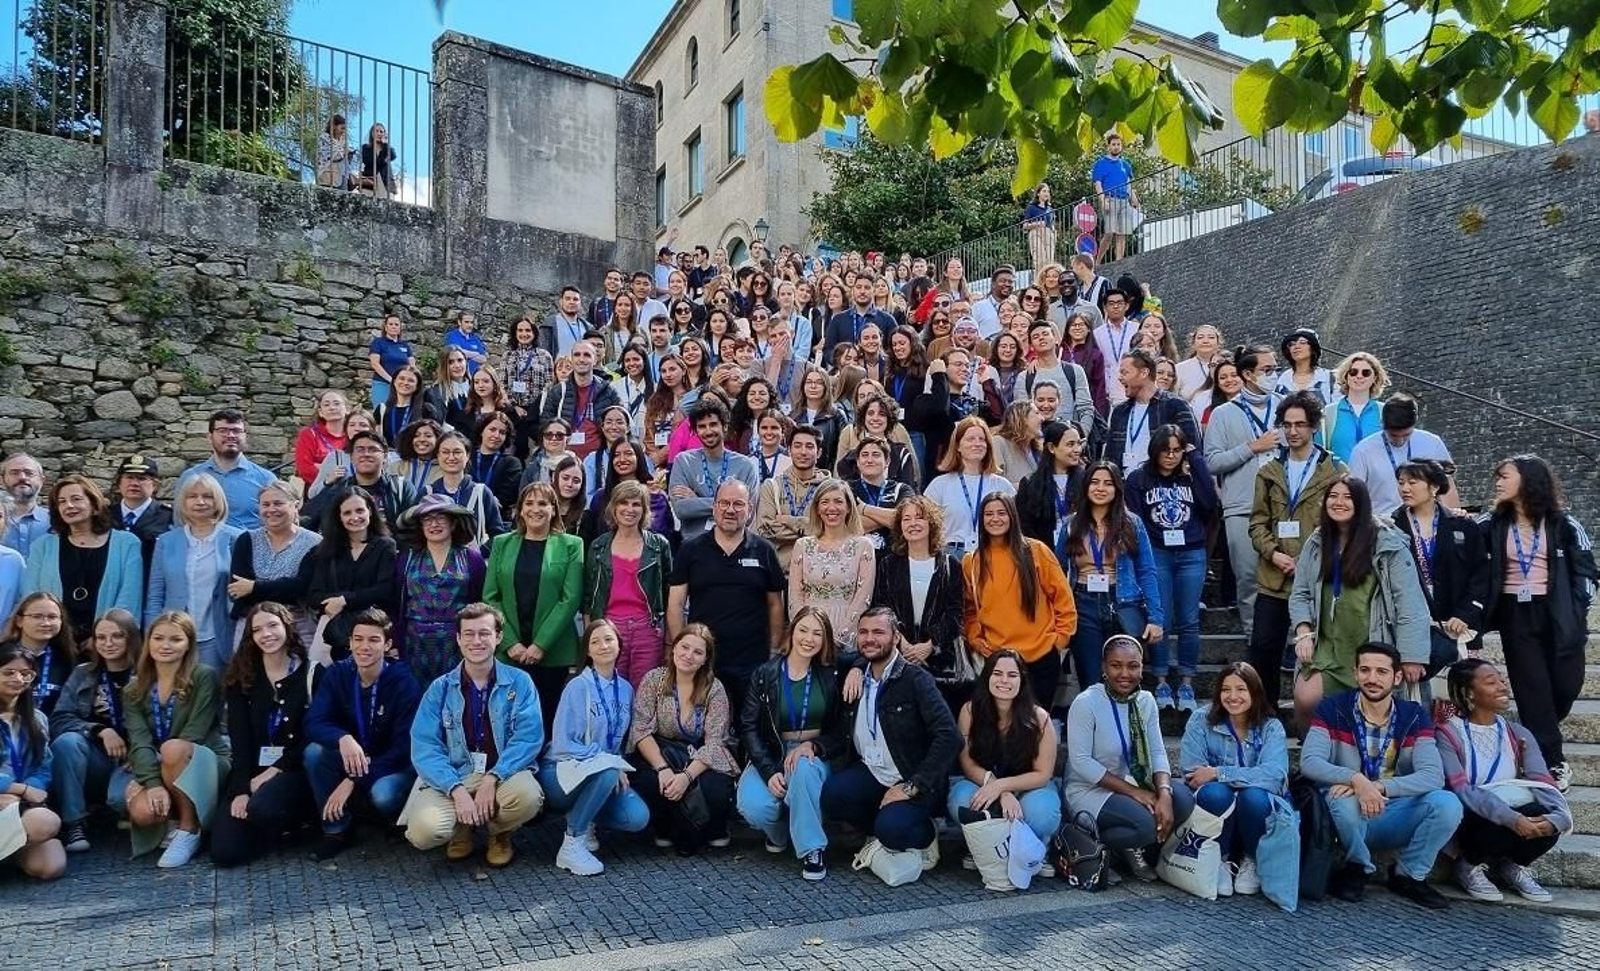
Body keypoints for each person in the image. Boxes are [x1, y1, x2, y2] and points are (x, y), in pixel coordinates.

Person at [1300, 641, 1461, 909]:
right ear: (1355, 673)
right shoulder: (1332, 708)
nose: (1371, 679)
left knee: (1447, 804)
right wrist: (1356, 780)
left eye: (1381, 672)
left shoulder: (1414, 715)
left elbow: (1432, 776)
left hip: (1394, 808)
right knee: (1340, 801)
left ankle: (1408, 875)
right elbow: (1310, 762)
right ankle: (1357, 867)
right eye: (1365, 670)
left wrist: (1378, 787)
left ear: (1397, 677)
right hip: (1347, 813)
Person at [1479, 455, 1596, 790]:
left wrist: (1578, 607)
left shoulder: (1563, 524)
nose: (1498, 483)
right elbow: (1461, 545)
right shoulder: (1491, 524)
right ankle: (1553, 765)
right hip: (1516, 614)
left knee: (1565, 687)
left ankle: (1532, 736)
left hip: (1560, 614)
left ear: (1528, 480)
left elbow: (1586, 570)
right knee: (1533, 693)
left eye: (1504, 477)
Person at [401, 603, 546, 869]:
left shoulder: (520, 682)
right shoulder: (439, 689)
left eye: (484, 633)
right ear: (458, 638)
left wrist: (494, 777)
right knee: (423, 832)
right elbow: (425, 747)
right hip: (455, 775)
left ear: (498, 637)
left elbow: (528, 738)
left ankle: (498, 833)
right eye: (468, 634)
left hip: (503, 774)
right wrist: (456, 790)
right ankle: (461, 830)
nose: (476, 641)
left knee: (528, 797)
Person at [821, 607, 962, 856]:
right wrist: (813, 746)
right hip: (872, 772)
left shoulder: (915, 679)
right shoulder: (855, 677)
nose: (870, 638)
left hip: (911, 776)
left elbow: (950, 736)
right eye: (863, 632)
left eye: (878, 632)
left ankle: (924, 832)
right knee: (833, 795)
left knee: (891, 830)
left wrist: (912, 786)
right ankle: (881, 825)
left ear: (896, 637)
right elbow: (841, 731)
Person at [1290, 477, 1431, 713]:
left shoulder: (1387, 543)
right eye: (1333, 496)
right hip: (1328, 647)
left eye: (1347, 497)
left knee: (1372, 714)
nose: (1339, 502)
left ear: (1361, 503)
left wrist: (1412, 655)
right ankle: (1316, 749)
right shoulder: (1317, 541)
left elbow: (1409, 603)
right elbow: (1300, 592)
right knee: (1305, 699)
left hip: (1373, 644)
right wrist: (1303, 632)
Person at [1437, 658, 1569, 903]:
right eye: (1491, 682)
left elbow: (1541, 780)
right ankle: (1468, 865)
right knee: (1493, 827)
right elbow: (1462, 789)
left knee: (1544, 819)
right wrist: (1511, 818)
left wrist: (1558, 817)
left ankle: (1514, 866)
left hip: (1515, 809)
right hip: (1474, 815)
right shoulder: (1449, 734)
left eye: (1501, 680)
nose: (1502, 686)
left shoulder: (1518, 733)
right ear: (1469, 693)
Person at [1065, 634, 1194, 881]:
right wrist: (1134, 792)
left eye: (1133, 666)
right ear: (1104, 667)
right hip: (1089, 789)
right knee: (1145, 823)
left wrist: (1164, 794)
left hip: (1131, 782)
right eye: (1116, 665)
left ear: (1142, 667)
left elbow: (1157, 751)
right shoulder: (1086, 702)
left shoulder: (1145, 701)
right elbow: (1081, 763)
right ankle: (1101, 846)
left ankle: (1134, 845)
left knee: (1182, 800)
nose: (1125, 673)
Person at [1247, 392, 1347, 705]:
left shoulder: (1336, 471)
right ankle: (1266, 716)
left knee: (1323, 649)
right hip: (1273, 577)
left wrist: (1307, 559)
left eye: (1300, 425)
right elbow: (1256, 523)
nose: (1293, 431)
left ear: (1314, 427)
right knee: (1263, 648)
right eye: (1287, 425)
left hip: (1318, 577)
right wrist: (1273, 553)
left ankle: (1323, 717)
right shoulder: (1268, 472)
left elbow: (1344, 523)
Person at [530, 619, 650, 876]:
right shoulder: (577, 687)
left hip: (601, 771)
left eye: (609, 639)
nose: (603, 646)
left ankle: (585, 812)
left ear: (619, 645)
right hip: (561, 771)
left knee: (637, 818)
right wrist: (607, 761)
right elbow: (562, 744)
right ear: (587, 651)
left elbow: (621, 741)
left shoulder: (626, 689)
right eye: (595, 642)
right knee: (607, 770)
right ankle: (572, 842)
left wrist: (613, 762)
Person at [302, 607, 421, 860]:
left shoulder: (403, 682)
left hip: (392, 763)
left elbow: (404, 748)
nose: (364, 647)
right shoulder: (339, 673)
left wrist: (353, 780)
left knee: (384, 795)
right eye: (358, 639)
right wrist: (342, 739)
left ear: (388, 645)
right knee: (314, 753)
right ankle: (336, 830)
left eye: (374, 640)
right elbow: (314, 721)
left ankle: (397, 821)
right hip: (353, 755)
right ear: (350, 642)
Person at [211, 603, 323, 867]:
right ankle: (274, 832)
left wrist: (272, 772)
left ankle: (298, 822)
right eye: (257, 629)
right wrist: (241, 789)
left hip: (293, 770)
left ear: (287, 626)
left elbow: (315, 733)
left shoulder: (312, 673)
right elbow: (239, 741)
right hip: (251, 770)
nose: (266, 634)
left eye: (272, 625)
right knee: (225, 853)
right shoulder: (241, 679)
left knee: (263, 808)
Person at [737, 608, 846, 880]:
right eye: (803, 630)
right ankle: (781, 833)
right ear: (792, 632)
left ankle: (812, 848)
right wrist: (767, 770)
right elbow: (748, 726)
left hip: (814, 753)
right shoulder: (765, 673)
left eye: (817, 633)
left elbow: (841, 730)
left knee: (804, 770)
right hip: (772, 752)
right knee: (754, 807)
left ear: (826, 640)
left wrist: (815, 747)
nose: (809, 638)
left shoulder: (831, 674)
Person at [667, 479, 785, 726]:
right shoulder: (691, 549)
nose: (731, 510)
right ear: (714, 508)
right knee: (704, 726)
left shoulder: (763, 550)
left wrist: (774, 650)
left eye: (738, 504)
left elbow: (775, 604)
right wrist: (682, 649)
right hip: (704, 660)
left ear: (750, 510)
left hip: (752, 659)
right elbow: (676, 604)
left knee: (750, 727)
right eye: (724, 503)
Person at [122, 611, 230, 868]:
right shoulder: (132, 690)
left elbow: (196, 732)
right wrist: (153, 782)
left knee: (173, 749)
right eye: (158, 638)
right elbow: (139, 741)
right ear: (148, 642)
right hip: (164, 764)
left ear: (189, 644)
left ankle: (189, 829)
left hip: (206, 760)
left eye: (175, 639)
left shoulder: (204, 676)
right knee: (143, 813)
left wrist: (152, 777)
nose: (165, 645)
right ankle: (174, 817)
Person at [1126, 425, 1218, 710]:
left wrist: (1198, 460)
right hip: (1158, 554)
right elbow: (1135, 522)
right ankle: (1162, 679)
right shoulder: (1138, 479)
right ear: (1155, 450)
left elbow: (1210, 504)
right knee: (1160, 618)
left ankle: (1188, 682)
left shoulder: (1190, 476)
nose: (1171, 456)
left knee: (1189, 620)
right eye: (1165, 450)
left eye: (1177, 450)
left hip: (1191, 553)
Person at [1178, 662, 1289, 897]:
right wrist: (1234, 780)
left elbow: (1275, 775)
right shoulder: (1201, 720)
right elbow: (1193, 773)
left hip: (1255, 811)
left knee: (1255, 797)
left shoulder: (1271, 727)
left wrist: (1219, 773)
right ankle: (1221, 859)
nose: (1233, 696)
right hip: (1218, 808)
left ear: (1254, 692)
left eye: (1241, 689)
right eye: (1226, 689)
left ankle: (1252, 859)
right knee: (1215, 793)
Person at [627, 624, 738, 854]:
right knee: (651, 782)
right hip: (660, 754)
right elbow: (641, 729)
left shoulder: (714, 688)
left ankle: (709, 828)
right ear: (674, 648)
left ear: (705, 659)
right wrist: (663, 769)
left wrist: (686, 777)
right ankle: (665, 827)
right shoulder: (653, 680)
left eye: (697, 652)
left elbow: (715, 742)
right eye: (684, 647)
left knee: (716, 789)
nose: (689, 655)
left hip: (699, 757)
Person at [483, 482, 583, 735]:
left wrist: (541, 644)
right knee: (508, 718)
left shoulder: (571, 544)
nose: (535, 509)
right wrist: (511, 644)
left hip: (553, 651)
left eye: (542, 504)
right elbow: (490, 596)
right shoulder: (502, 543)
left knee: (547, 716)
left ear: (553, 509)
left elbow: (570, 598)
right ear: (519, 509)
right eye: (529, 503)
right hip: (510, 650)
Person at [965, 493, 1076, 709]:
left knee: (1036, 725)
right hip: (996, 660)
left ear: (1012, 516)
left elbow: (1063, 599)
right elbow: (969, 609)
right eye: (988, 514)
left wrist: (1060, 639)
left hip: (1042, 655)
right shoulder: (971, 561)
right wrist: (975, 639)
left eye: (1001, 513)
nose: (995, 519)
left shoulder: (1037, 551)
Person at [1059, 462, 1163, 691]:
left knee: (1123, 678)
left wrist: (1156, 618)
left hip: (1122, 602)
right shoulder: (1070, 525)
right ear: (1086, 486)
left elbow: (1147, 571)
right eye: (1095, 482)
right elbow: (1056, 574)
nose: (1100, 488)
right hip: (1082, 604)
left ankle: (1125, 725)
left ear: (1117, 488)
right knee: (1091, 679)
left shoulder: (1132, 523)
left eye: (1108, 483)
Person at [950, 649, 1062, 857]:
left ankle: (1036, 846)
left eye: (1012, 675)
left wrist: (1003, 786)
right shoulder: (969, 711)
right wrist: (999, 790)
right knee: (961, 800)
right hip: (982, 781)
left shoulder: (1039, 718)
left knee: (1043, 814)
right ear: (987, 677)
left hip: (1028, 787)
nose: (1004, 681)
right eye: (997, 673)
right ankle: (984, 846)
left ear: (1022, 680)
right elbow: (966, 762)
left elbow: (1043, 774)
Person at [1203, 344, 1281, 635]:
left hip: (1284, 505)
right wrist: (1251, 448)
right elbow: (1212, 461)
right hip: (1241, 505)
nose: (1273, 375)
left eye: (1275, 369)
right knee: (1248, 577)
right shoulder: (1223, 413)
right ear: (1248, 374)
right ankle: (1253, 635)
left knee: (1287, 575)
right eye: (1267, 370)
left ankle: (1287, 640)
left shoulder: (1286, 407)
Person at [46, 609, 138, 852]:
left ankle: (133, 814)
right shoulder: (83, 673)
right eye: (101, 637)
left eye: (117, 636)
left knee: (120, 800)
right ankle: (75, 823)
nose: (108, 643)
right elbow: (59, 719)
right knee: (66, 742)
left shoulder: (149, 671)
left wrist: (144, 752)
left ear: (131, 638)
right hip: (99, 760)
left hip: (139, 760)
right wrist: (99, 730)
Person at [23, 475, 144, 644]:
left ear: (95, 505)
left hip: (107, 643)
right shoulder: (42, 546)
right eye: (62, 501)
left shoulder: (126, 543)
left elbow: (129, 597)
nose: (69, 505)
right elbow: (31, 595)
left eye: (76, 499)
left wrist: (103, 637)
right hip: (54, 641)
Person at [146, 474, 243, 671]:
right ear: (182, 502)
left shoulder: (237, 538)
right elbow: (155, 596)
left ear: (218, 501)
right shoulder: (166, 541)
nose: (200, 501)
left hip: (218, 636)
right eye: (192, 496)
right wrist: (152, 636)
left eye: (207, 496)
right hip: (173, 638)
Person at [581, 481, 672, 689]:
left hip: (647, 630)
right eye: (623, 503)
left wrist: (668, 639)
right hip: (609, 628)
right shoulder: (598, 546)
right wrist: (590, 635)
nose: (629, 509)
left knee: (645, 693)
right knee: (609, 689)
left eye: (636, 504)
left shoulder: (659, 546)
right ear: (613, 508)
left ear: (644, 509)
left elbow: (669, 596)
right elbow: (588, 597)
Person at [1395, 459, 1491, 654]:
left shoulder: (1462, 525)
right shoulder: (1391, 527)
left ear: (1434, 487)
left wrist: (1466, 614)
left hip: (1458, 623)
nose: (1405, 488)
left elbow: (1481, 575)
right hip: (1409, 623)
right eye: (1401, 482)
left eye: (1412, 483)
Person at [394, 495, 488, 687]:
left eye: (440, 518)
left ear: (453, 523)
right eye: (427, 519)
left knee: (457, 696)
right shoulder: (407, 558)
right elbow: (397, 602)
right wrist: (396, 640)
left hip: (457, 642)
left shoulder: (472, 559)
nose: (434, 524)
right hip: (415, 643)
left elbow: (480, 601)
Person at [303, 486, 400, 661]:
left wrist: (343, 600)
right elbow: (313, 594)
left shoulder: (385, 546)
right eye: (347, 513)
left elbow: (384, 590)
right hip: (335, 633)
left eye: (360, 510)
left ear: (370, 511)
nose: (354, 517)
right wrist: (330, 605)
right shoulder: (326, 550)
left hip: (371, 632)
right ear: (339, 517)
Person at [227, 480, 321, 646]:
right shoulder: (247, 540)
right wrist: (285, 587)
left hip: (297, 626)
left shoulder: (314, 543)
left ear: (296, 506)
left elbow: (304, 587)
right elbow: (237, 590)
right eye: (266, 504)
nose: (271, 509)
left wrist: (255, 587)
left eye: (278, 503)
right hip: (253, 625)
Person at [0, 642, 64, 879]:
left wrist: (28, 791)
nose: (18, 678)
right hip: (12, 796)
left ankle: (13, 849)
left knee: (50, 866)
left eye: (26, 673)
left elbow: (44, 767)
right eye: (8, 672)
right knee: (43, 822)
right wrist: (17, 788)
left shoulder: (37, 718)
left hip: (19, 803)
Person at [788, 479, 875, 648]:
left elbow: (863, 597)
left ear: (849, 507)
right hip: (808, 634)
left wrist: (840, 636)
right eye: (825, 502)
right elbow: (795, 595)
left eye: (838, 501)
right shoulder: (803, 546)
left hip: (845, 632)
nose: (831, 508)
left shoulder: (863, 546)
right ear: (817, 509)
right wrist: (805, 632)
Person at [1347, 394, 1457, 517]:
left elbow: (1447, 486)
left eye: (1406, 435)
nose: (1400, 441)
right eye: (1393, 436)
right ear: (1382, 424)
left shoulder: (1432, 442)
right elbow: (1354, 495)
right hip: (1385, 524)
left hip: (1428, 520)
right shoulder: (1363, 451)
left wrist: (1452, 520)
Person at [922, 417, 1016, 558]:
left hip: (992, 553)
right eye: (970, 439)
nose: (977, 444)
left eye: (981, 439)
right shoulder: (939, 485)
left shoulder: (1002, 485)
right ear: (958, 446)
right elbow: (927, 527)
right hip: (951, 555)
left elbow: (1014, 528)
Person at [669, 397, 761, 538]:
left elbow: (747, 514)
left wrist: (697, 499)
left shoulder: (745, 465)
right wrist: (729, 503)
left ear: (724, 426)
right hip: (693, 543)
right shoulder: (683, 461)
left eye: (713, 424)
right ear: (695, 431)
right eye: (702, 426)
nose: (708, 431)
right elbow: (681, 509)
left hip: (733, 543)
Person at [176, 409, 277, 531]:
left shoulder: (265, 479)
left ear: (245, 436)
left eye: (236, 431)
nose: (230, 435)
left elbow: (275, 524)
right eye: (222, 430)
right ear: (209, 437)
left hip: (248, 548)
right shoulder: (190, 477)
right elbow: (180, 522)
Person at [1106, 349, 1199, 477]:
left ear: (1144, 373)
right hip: (1125, 489)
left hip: (1163, 488)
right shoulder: (1119, 412)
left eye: (1124, 372)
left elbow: (1192, 449)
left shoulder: (1175, 406)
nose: (1120, 378)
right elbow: (1110, 457)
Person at [300, 431, 420, 530]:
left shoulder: (401, 487)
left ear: (385, 456)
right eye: (360, 450)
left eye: (373, 449)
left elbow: (414, 525)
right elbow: (307, 519)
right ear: (352, 457)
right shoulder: (338, 490)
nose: (366, 454)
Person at [754, 425, 829, 571]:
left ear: (818, 452)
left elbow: (830, 530)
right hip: (781, 572)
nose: (803, 452)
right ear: (789, 450)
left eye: (809, 446)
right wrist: (809, 528)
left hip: (819, 572)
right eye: (797, 446)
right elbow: (765, 530)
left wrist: (789, 520)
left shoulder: (830, 488)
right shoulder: (772, 486)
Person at [540, 340, 622, 464]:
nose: (581, 359)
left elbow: (622, 424)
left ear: (595, 360)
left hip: (599, 461)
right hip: (563, 461)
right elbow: (544, 427)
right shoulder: (558, 392)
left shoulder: (608, 391)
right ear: (572, 359)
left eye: (587, 355)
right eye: (577, 355)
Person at [4, 591, 78, 717]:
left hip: (55, 729)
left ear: (61, 621)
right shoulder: (3, 654)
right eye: (37, 616)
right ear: (19, 621)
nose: (45, 623)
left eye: (52, 617)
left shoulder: (69, 659)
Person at [430, 431, 507, 548]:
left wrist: (479, 553)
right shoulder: (428, 492)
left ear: (468, 455)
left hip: (473, 564)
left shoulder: (482, 493)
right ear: (438, 456)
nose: (451, 457)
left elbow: (497, 535)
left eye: (457, 452)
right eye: (445, 452)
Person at [1016, 421, 1084, 547]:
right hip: (1043, 554)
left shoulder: (1087, 480)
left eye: (1079, 444)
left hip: (1081, 552)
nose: (1077, 449)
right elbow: (1025, 526)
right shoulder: (1030, 483)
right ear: (1052, 448)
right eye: (1070, 444)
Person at [110, 454, 173, 573]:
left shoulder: (168, 517)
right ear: (119, 484)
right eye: (129, 477)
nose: (134, 483)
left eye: (142, 478)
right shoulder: (105, 515)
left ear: (154, 485)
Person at [504, 316, 557, 456]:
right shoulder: (508, 356)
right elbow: (502, 384)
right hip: (514, 410)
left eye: (528, 330)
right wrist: (514, 406)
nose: (524, 334)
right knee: (518, 447)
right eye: (520, 330)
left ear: (534, 333)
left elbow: (549, 382)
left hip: (537, 410)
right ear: (515, 333)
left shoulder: (544, 356)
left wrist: (535, 407)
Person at [1324, 351, 1388, 464]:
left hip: (1376, 480)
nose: (1359, 376)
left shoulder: (1385, 411)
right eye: (1353, 372)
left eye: (1366, 373)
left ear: (1374, 378)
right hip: (1339, 480)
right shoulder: (1328, 413)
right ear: (1346, 376)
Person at [822, 273, 896, 363]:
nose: (862, 291)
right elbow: (828, 350)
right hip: (846, 373)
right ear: (853, 290)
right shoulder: (838, 320)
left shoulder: (887, 320)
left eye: (867, 288)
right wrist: (842, 361)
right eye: (858, 287)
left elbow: (894, 350)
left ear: (874, 291)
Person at [1092, 133, 1140, 261]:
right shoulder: (1101, 164)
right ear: (1108, 146)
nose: (1116, 147)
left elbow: (1128, 183)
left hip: (1124, 200)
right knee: (1109, 233)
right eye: (1113, 144)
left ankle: (1119, 261)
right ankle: (1098, 260)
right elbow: (1098, 183)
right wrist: (1103, 201)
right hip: (1110, 198)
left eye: (1118, 144)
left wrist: (1134, 199)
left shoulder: (1125, 165)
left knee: (1122, 233)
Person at [1091, 288, 1139, 408]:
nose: (1115, 307)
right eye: (1111, 303)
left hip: (1134, 385)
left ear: (1127, 306)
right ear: (1105, 307)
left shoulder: (1137, 329)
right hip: (1108, 390)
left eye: (1119, 303)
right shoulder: (1097, 333)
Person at [294, 391, 351, 489]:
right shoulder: (309, 434)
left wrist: (322, 467)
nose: (332, 408)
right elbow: (305, 469)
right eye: (326, 405)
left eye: (337, 403)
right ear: (320, 412)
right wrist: (329, 476)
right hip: (319, 490)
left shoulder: (353, 434)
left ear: (347, 409)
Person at [471, 412, 525, 515]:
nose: (496, 435)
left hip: (497, 517)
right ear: (481, 431)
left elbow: (507, 497)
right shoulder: (466, 458)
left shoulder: (512, 463)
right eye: (492, 430)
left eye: (502, 432)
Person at [373, 366, 439, 446]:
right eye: (402, 378)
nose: (405, 383)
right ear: (394, 382)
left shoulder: (426, 409)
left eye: (411, 380)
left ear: (417, 386)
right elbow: (376, 440)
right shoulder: (382, 409)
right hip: (390, 456)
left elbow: (435, 439)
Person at [1, 452, 49, 557]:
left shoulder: (56, 522)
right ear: (2, 480)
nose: (22, 477)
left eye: (29, 473)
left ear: (42, 480)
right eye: (14, 473)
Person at [366, 314, 415, 408]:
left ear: (400, 328)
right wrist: (391, 380)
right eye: (391, 324)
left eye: (396, 324)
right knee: (381, 414)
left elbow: (412, 366)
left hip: (401, 387)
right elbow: (375, 364)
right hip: (382, 384)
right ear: (385, 327)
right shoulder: (378, 342)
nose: (393, 326)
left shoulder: (404, 345)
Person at [1272, 328, 1335, 402]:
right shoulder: (1280, 380)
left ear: (1312, 348)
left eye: (1302, 342)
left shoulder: (1328, 378)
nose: (1296, 346)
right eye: (1291, 344)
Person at [991, 400, 1041, 488]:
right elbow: (994, 485)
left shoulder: (1037, 449)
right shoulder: (998, 443)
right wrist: (1028, 486)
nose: (1042, 418)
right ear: (1023, 418)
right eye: (1037, 413)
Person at [390, 419, 446, 495]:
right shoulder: (396, 467)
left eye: (428, 436)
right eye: (416, 436)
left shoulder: (445, 468)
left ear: (438, 440)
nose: (422, 439)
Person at [1174, 324, 1224, 401]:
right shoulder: (1180, 368)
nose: (1205, 341)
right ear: (1193, 343)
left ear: (1218, 343)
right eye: (1200, 337)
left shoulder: (1227, 366)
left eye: (1211, 337)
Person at [1023, 183, 1057, 272]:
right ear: (1038, 193)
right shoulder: (1031, 207)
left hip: (1048, 234)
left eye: (1048, 191)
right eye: (1044, 191)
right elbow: (1025, 225)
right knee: (1039, 259)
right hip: (1036, 232)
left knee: (1050, 261)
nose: (1047, 193)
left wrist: (1054, 232)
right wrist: (1036, 224)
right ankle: (1039, 282)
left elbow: (1052, 223)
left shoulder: (1050, 209)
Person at [445, 310, 490, 376]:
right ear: (459, 322)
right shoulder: (452, 336)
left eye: (471, 322)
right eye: (466, 322)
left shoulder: (475, 338)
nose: (470, 325)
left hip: (475, 379)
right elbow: (457, 353)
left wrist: (467, 354)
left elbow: (483, 358)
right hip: (459, 378)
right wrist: (476, 354)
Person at [359, 122, 397, 197]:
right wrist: (384, 160)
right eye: (376, 131)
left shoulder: (387, 148)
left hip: (386, 183)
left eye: (381, 131)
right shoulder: (366, 148)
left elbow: (393, 156)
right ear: (372, 133)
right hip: (370, 182)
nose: (379, 133)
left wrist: (386, 144)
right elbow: (369, 162)